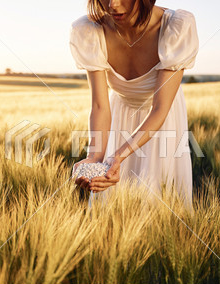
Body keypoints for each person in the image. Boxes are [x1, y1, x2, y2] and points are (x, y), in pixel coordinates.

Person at [69, 0, 199, 212]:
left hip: (161, 120)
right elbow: (100, 105)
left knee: (161, 200)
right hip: (118, 115)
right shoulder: (90, 30)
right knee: (113, 205)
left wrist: (118, 155)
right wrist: (96, 157)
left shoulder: (175, 27)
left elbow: (160, 108)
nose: (113, 5)